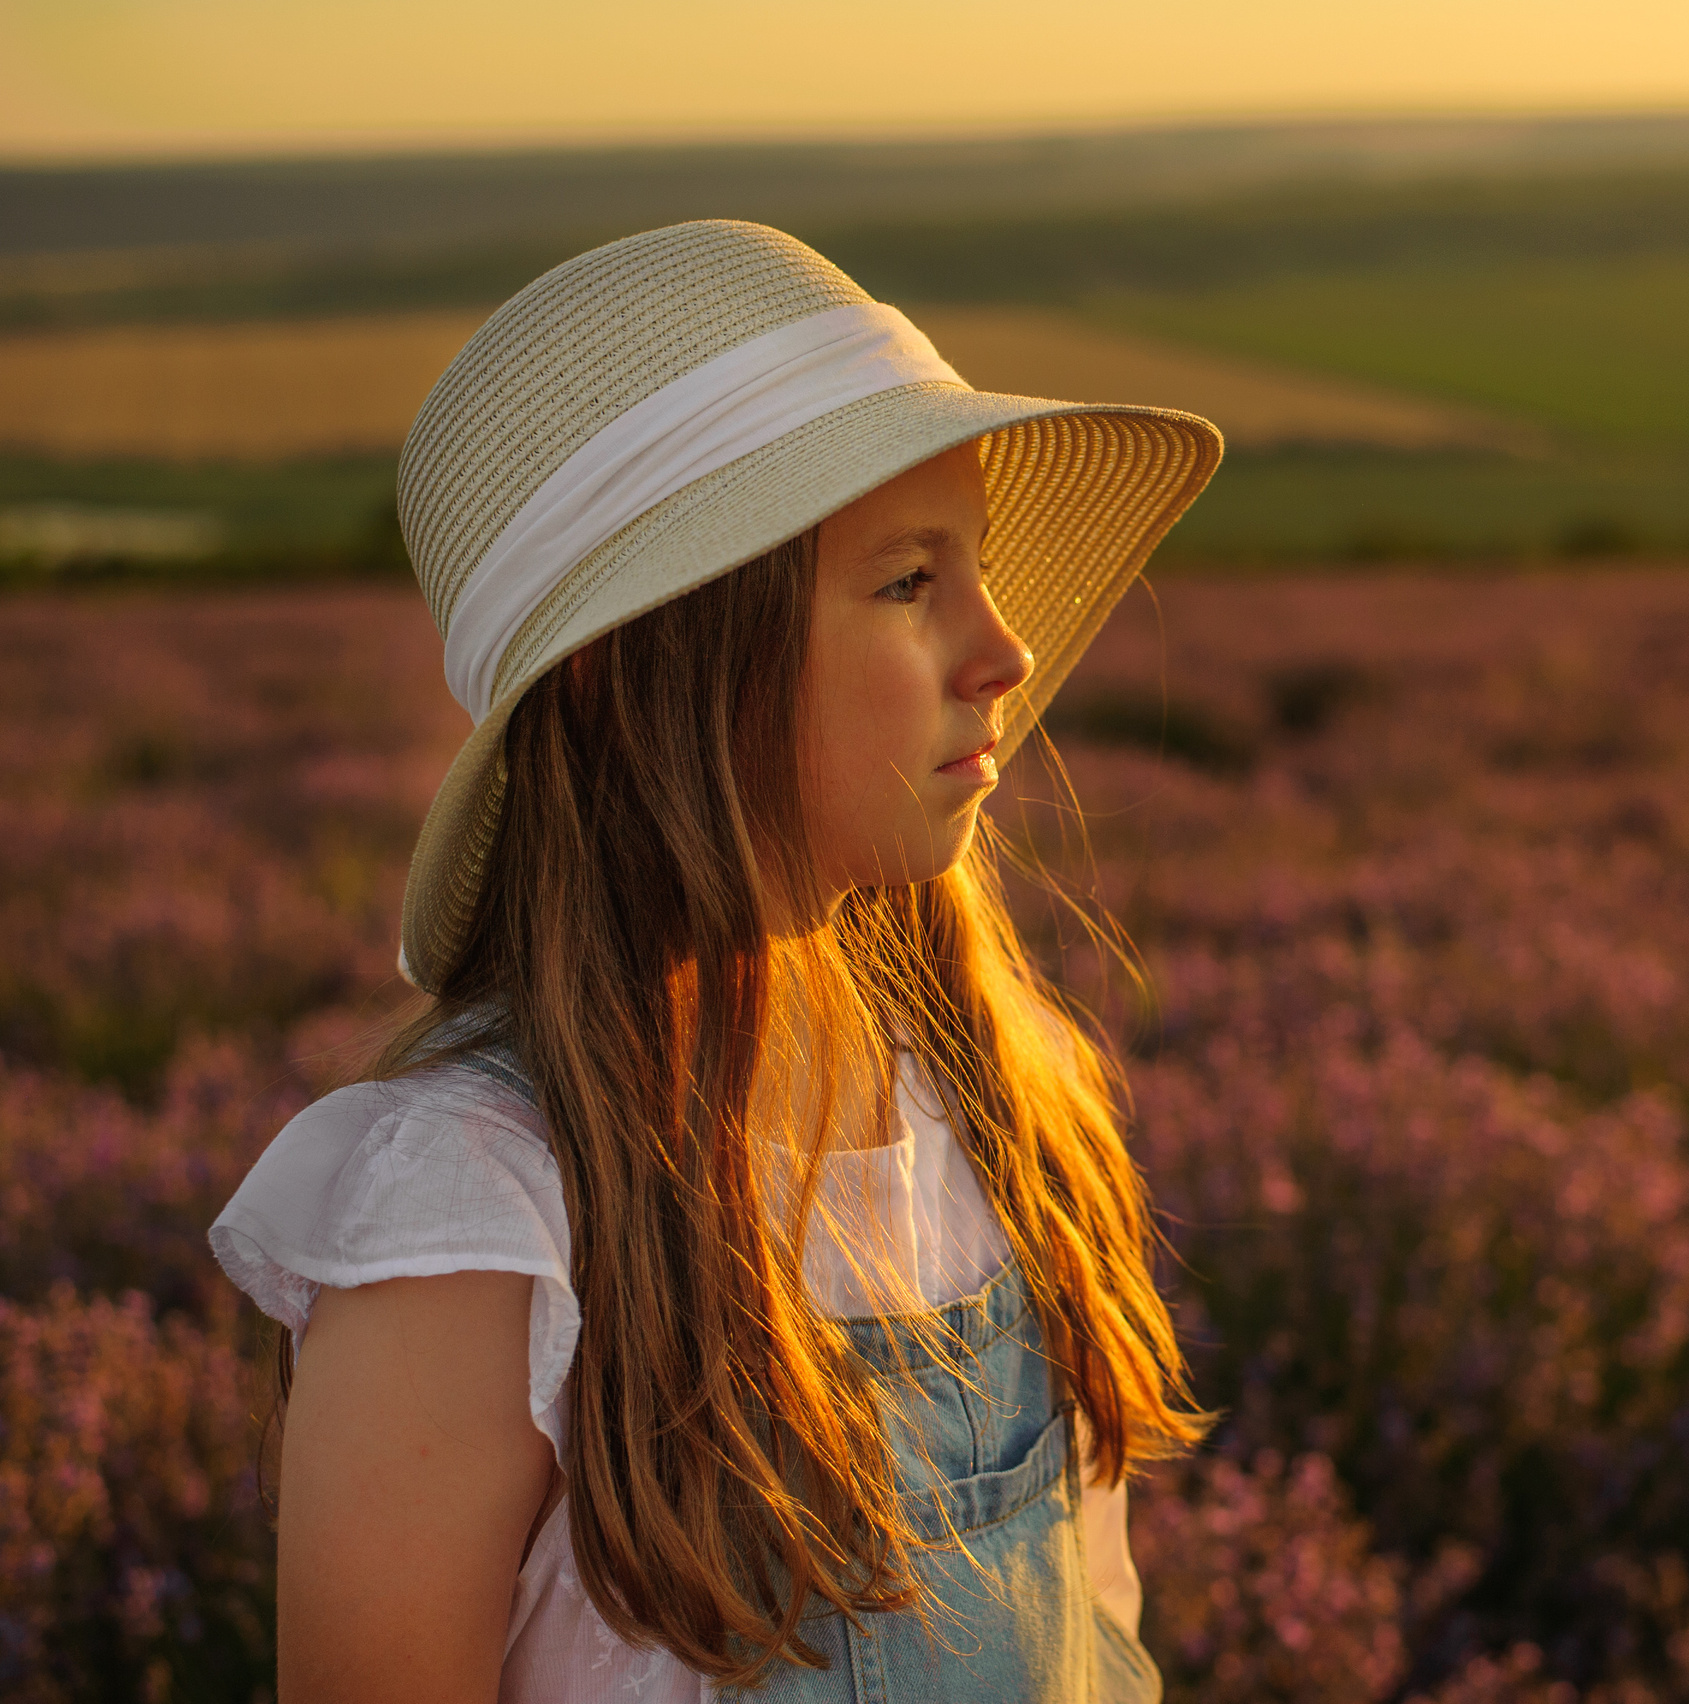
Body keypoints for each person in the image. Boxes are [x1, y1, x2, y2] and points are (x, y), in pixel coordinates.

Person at [208, 219, 1224, 1703]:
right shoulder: (483, 1219)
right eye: (904, 584)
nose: (1002, 652)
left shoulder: (1011, 1109)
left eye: (981, 568)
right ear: (638, 675)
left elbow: (1103, 1645)